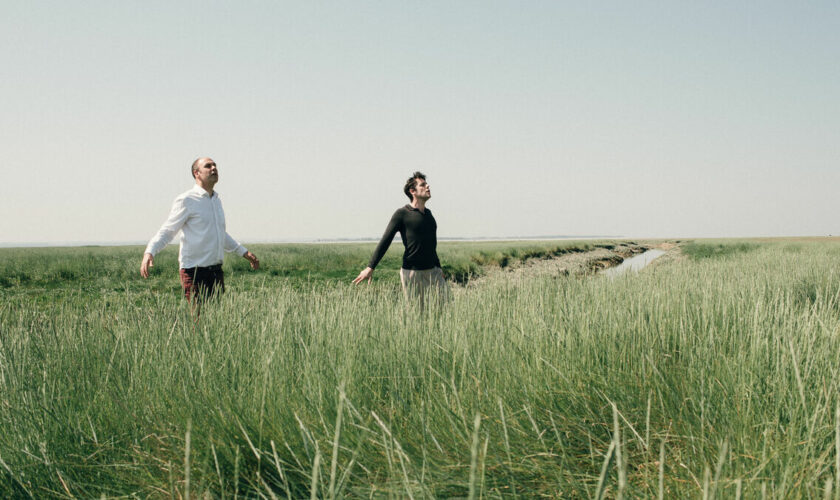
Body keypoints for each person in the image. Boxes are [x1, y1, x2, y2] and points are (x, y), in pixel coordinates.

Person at [140, 157, 259, 302]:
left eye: (215, 165)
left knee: (215, 321)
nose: (214, 168)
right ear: (197, 173)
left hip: (216, 271)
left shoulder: (216, 200)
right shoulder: (186, 200)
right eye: (208, 166)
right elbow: (168, 230)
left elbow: (219, 233)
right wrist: (150, 251)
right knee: (199, 321)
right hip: (194, 273)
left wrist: (244, 253)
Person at [353, 172, 448, 305]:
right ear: (412, 191)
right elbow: (385, 241)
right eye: (423, 185)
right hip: (412, 273)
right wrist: (370, 267)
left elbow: (430, 245)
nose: (428, 186)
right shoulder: (402, 214)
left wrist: (438, 267)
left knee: (445, 309)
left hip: (433, 272)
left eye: (427, 184)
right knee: (417, 315)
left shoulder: (429, 215)